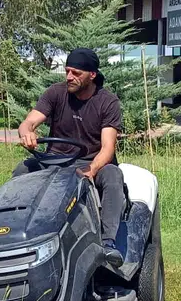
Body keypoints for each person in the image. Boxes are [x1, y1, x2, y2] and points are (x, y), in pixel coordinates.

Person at [16, 47, 125, 268]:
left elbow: (108, 148)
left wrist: (91, 170)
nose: (69, 77)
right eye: (67, 71)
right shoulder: (55, 93)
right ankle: (18, 233)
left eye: (76, 73)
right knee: (23, 169)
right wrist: (26, 132)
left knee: (113, 175)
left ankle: (108, 243)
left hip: (91, 162)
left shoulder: (108, 102)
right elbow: (29, 122)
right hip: (55, 160)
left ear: (92, 75)